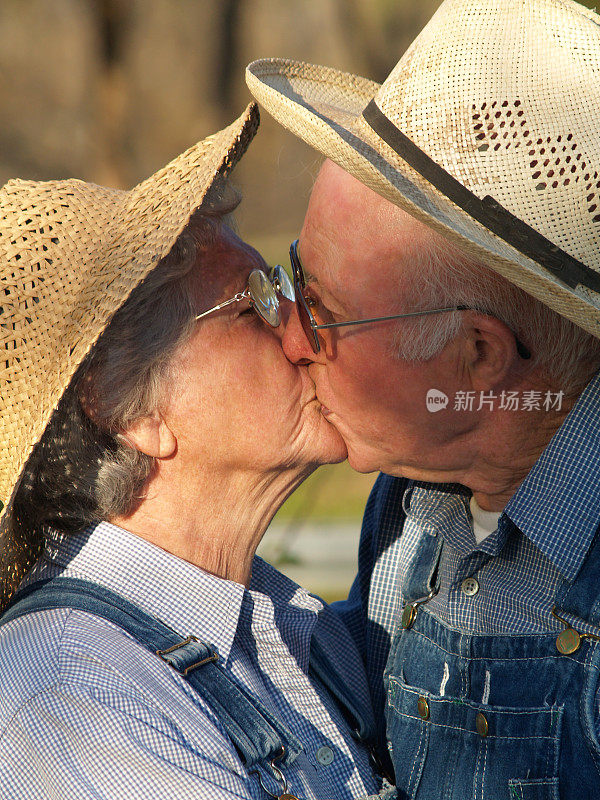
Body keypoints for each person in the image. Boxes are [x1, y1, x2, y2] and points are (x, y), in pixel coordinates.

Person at [247, 0, 600, 796]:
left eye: (325, 311)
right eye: (293, 275)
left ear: (478, 357)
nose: (290, 337)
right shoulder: (413, 500)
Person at [0, 103, 388, 800]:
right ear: (130, 409)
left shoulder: (285, 623)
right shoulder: (75, 697)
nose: (301, 332)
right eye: (254, 305)